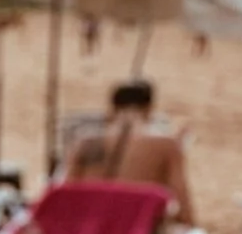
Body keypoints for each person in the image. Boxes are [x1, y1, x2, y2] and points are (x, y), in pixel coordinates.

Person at [67, 76, 196, 222]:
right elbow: (182, 202)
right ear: (149, 109)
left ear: (112, 108)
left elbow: (67, 195)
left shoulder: (85, 142)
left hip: (89, 226)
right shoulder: (165, 146)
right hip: (139, 230)